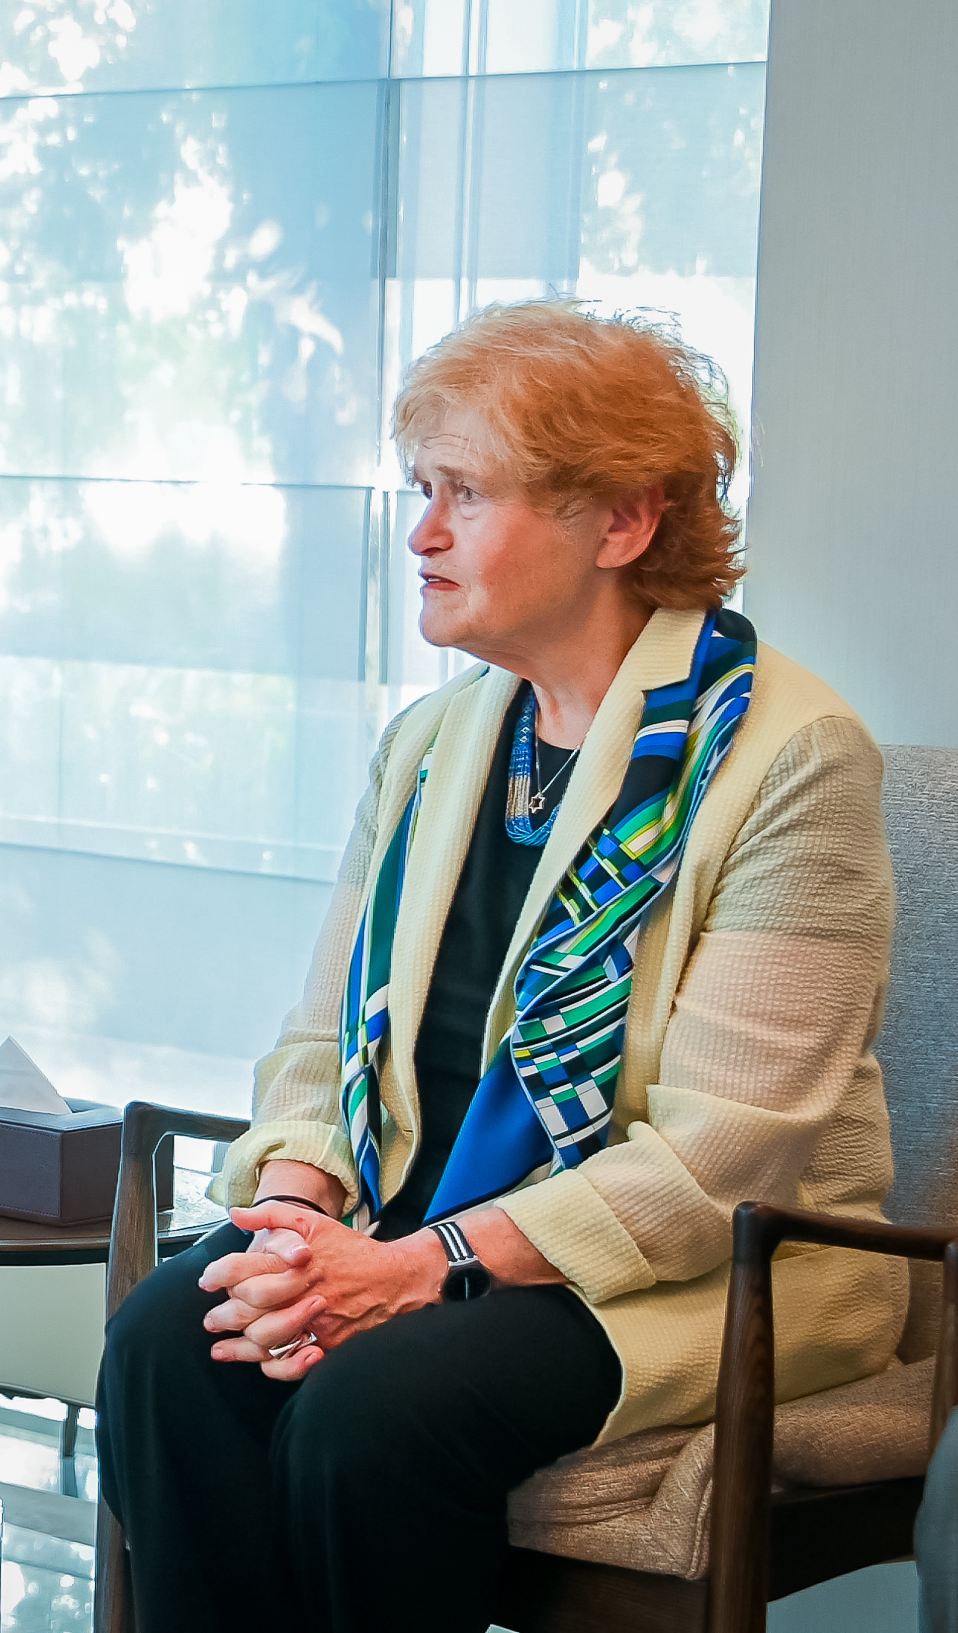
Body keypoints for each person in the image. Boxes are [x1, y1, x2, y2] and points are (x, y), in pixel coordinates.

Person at [92, 301, 907, 1633]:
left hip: (694, 1266)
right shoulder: (432, 743)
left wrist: (418, 1268)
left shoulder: (791, 760)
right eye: (421, 489)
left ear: (622, 521)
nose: (420, 534)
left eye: (463, 494)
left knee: (372, 1409)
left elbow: (723, 1159)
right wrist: (291, 1220)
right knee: (168, 1346)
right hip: (410, 1217)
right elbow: (319, 1044)